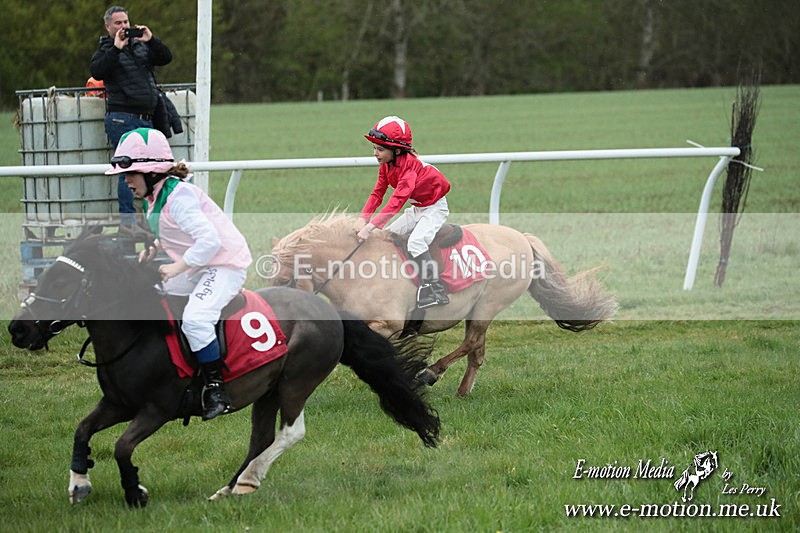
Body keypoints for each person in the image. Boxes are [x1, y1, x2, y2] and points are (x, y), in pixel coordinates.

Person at [106, 128, 252, 420]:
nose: (126, 180)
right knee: (154, 297)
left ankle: (216, 389)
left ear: (152, 172)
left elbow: (209, 241)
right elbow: (176, 232)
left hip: (224, 264)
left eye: (131, 173)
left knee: (196, 319)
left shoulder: (179, 196)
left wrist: (176, 266)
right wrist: (155, 248)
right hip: (201, 263)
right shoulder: (157, 195)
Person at [90, 6, 172, 235]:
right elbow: (97, 71)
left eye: (126, 22)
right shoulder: (106, 50)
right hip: (122, 118)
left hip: (147, 118)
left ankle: (149, 219)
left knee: (151, 171)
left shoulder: (141, 46)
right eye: (118, 23)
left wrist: (151, 40)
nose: (124, 27)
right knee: (128, 169)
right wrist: (116, 48)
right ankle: (128, 222)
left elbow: (166, 58)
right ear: (108, 26)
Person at [357, 116, 451, 309]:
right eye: (374, 148)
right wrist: (362, 219)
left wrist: (370, 227)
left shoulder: (409, 169)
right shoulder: (386, 166)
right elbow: (377, 194)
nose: (375, 153)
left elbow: (396, 202)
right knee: (387, 236)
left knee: (416, 242)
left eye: (380, 149)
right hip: (417, 208)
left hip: (434, 209)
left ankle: (435, 289)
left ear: (397, 150)